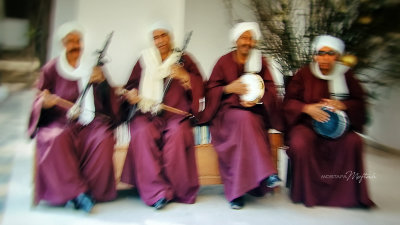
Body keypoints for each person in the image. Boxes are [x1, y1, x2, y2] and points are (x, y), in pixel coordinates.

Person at [28, 22, 123, 212]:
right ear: (63, 44)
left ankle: (90, 192)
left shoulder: (92, 67)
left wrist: (103, 82)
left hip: (91, 122)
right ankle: (76, 193)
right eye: (70, 41)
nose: (75, 45)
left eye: (78, 40)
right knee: (54, 138)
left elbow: (108, 97)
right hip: (61, 121)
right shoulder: (51, 68)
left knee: (103, 137)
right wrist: (44, 102)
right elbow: (39, 98)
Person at [119, 21, 204, 210]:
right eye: (156, 37)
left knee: (178, 134)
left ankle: (176, 189)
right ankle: (155, 193)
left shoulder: (184, 59)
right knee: (141, 132)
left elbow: (200, 85)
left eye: (163, 35)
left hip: (176, 116)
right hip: (146, 114)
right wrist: (131, 94)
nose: (160, 41)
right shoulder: (144, 59)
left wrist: (185, 77)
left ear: (171, 37)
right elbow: (130, 86)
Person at [283, 35, 375, 207]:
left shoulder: (346, 75)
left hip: (339, 128)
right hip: (307, 125)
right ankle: (307, 193)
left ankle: (346, 196)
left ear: (337, 56)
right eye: (320, 53)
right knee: (300, 142)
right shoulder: (304, 74)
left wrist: (343, 104)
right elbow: (289, 102)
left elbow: (360, 102)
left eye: (330, 53)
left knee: (354, 141)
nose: (324, 58)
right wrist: (307, 108)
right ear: (315, 55)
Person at [200, 22, 284, 209]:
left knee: (249, 120)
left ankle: (235, 193)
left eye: (250, 38)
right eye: (243, 37)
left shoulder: (260, 61)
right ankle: (268, 173)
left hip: (254, 112)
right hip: (227, 114)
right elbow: (210, 89)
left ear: (254, 41)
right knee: (245, 120)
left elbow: (271, 90)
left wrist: (257, 100)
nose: (247, 42)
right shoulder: (223, 61)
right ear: (236, 40)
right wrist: (229, 88)